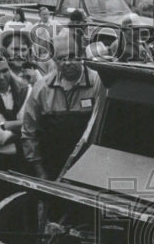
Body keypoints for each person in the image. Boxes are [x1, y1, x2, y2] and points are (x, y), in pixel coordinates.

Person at [20, 34, 103, 180]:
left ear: (82, 54)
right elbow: (29, 133)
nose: (67, 63)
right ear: (53, 59)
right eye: (61, 58)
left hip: (89, 169)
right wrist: (40, 172)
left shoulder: (99, 84)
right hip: (51, 169)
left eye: (72, 56)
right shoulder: (42, 89)